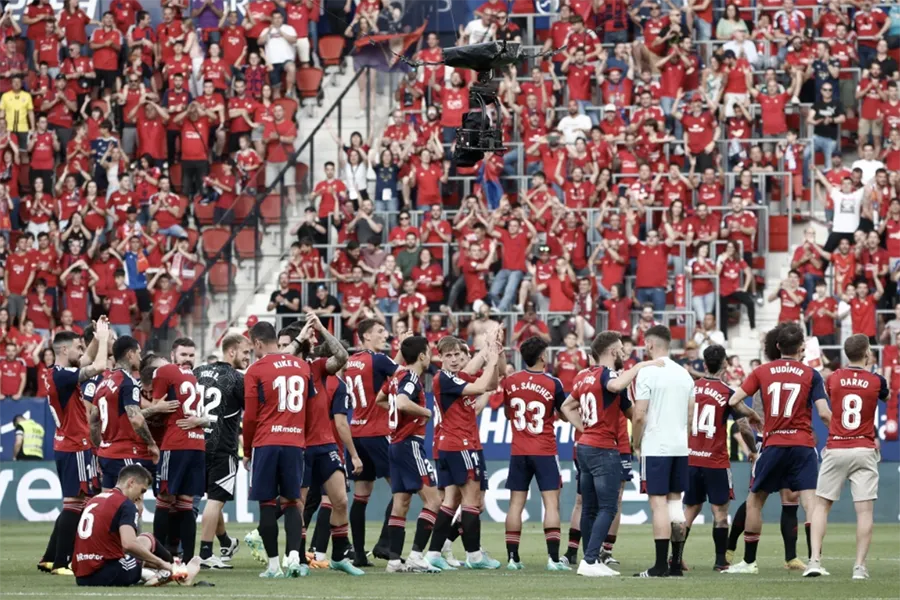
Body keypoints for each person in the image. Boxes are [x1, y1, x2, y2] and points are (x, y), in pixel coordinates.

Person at [724, 322, 833, 575]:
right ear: (801, 347)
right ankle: (815, 561)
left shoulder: (762, 371)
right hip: (803, 445)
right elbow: (824, 413)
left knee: (754, 502)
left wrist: (751, 413)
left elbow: (733, 400)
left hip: (773, 443)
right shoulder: (811, 374)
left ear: (777, 346)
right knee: (812, 505)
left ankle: (749, 562)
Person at [561, 331, 658, 577]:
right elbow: (615, 384)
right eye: (622, 352)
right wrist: (641, 365)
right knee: (608, 507)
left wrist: (584, 428)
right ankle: (591, 560)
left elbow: (565, 406)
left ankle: (588, 558)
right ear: (613, 352)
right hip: (603, 448)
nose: (624, 356)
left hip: (584, 446)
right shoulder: (608, 375)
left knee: (589, 507)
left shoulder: (585, 377)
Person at [805, 335, 888, 580]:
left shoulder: (834, 378)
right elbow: (885, 395)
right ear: (867, 353)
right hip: (863, 448)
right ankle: (859, 567)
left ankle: (814, 561)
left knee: (821, 506)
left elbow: (829, 399)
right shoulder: (876, 380)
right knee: (864, 511)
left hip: (837, 446)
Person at [243, 321, 315, 578]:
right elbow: (310, 409)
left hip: (266, 441)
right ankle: (294, 557)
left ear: (258, 343)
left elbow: (250, 417)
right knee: (292, 501)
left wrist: (248, 450)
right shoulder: (303, 366)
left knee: (267, 504)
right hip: (295, 442)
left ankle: (274, 566)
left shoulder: (257, 369)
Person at [41, 324, 109, 576]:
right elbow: (98, 365)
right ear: (64, 349)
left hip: (65, 443)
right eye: (78, 347)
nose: (82, 352)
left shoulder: (55, 373)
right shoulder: (62, 376)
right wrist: (103, 339)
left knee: (75, 501)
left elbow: (87, 359)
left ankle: (49, 558)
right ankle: (62, 562)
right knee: (76, 502)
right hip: (75, 444)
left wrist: (92, 337)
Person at [630, 325, 698, 578]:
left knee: (658, 505)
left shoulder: (648, 373)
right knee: (674, 503)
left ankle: (659, 566)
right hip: (680, 446)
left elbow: (639, 415)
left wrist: (636, 443)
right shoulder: (685, 375)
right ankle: (675, 563)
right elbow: (691, 416)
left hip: (656, 446)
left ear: (649, 345)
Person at [431, 334, 503, 570]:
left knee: (451, 502)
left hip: (456, 443)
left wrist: (491, 352)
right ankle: (474, 555)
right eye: (448, 355)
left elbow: (490, 385)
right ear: (439, 358)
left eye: (457, 355)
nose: (453, 359)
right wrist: (491, 358)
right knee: (472, 502)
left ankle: (434, 553)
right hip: (460, 444)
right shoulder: (446, 379)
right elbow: (484, 385)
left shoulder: (456, 377)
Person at [683, 345, 757, 571]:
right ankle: (720, 561)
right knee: (720, 513)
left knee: (689, 512)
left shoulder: (691, 389)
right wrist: (752, 450)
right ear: (725, 364)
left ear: (704, 365)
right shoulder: (728, 393)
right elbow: (744, 427)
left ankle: (675, 558)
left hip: (692, 459)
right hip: (715, 460)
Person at [502, 337, 571, 572]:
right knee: (551, 504)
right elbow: (564, 415)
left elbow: (508, 414)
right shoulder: (553, 383)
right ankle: (553, 559)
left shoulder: (510, 381)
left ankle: (513, 558)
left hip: (519, 450)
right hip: (544, 449)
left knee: (515, 504)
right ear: (543, 356)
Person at [376, 335, 442, 573]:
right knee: (434, 500)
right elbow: (403, 402)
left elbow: (380, 399)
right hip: (409, 444)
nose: (431, 356)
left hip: (395, 444)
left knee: (401, 502)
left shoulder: (397, 376)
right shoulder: (412, 377)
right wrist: (425, 411)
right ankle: (415, 556)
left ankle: (394, 561)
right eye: (429, 351)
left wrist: (397, 408)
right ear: (422, 355)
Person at [72, 464, 200, 587]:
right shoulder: (124, 504)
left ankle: (163, 569)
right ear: (131, 482)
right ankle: (173, 570)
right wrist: (161, 563)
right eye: (142, 490)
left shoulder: (96, 499)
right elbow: (128, 545)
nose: (141, 495)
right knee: (149, 540)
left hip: (81, 575)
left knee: (143, 540)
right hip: (107, 572)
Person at [194, 333, 250, 569]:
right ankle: (206, 553)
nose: (248, 357)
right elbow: (252, 412)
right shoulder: (237, 379)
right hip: (223, 447)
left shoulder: (197, 372)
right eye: (245, 352)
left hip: (196, 444)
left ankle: (226, 542)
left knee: (209, 501)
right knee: (216, 501)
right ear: (232, 351)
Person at [150, 339, 205, 563]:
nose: (188, 359)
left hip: (176, 444)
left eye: (191, 355)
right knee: (185, 503)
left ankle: (157, 558)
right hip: (197, 444)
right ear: (173, 355)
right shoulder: (195, 378)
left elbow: (156, 407)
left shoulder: (164, 371)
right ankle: (188, 559)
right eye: (184, 354)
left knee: (165, 500)